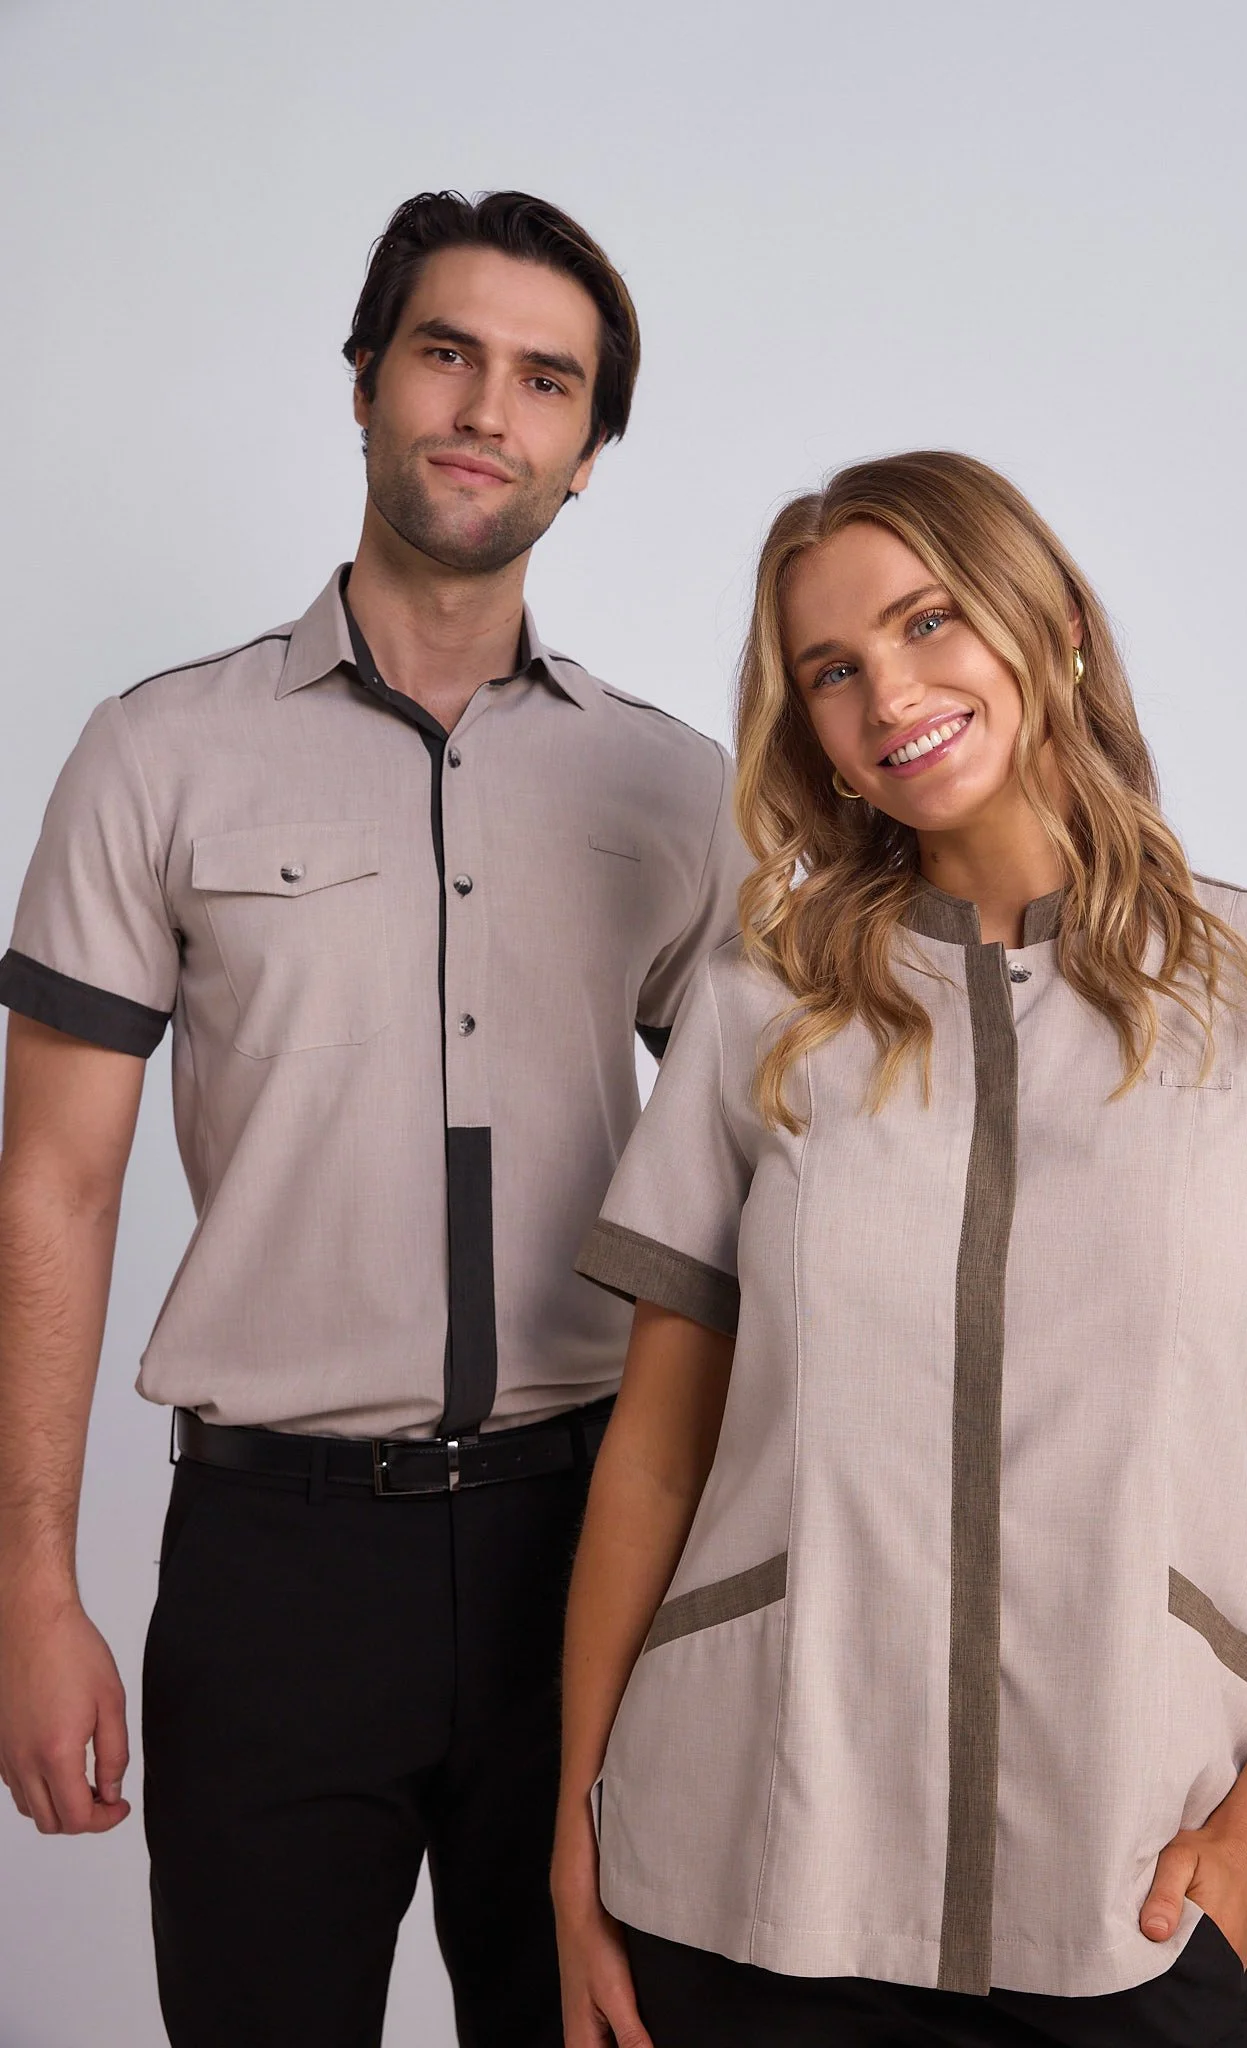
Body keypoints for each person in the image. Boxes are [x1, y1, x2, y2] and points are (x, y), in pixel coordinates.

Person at [0, 189, 748, 2048]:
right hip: (275, 1575)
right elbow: (55, 1185)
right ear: (362, 386)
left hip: (591, 1557)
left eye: (545, 380)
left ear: (588, 453)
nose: (488, 407)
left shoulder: (675, 791)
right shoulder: (154, 756)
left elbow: (775, 1176)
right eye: (447, 351)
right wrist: (32, 1583)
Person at [552, 451, 1247, 2048]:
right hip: (749, 1867)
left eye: (928, 624)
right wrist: (575, 1845)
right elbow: (651, 1456)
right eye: (831, 671)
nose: (887, 694)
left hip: (1125, 1871)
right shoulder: (757, 1013)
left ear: (1051, 626)